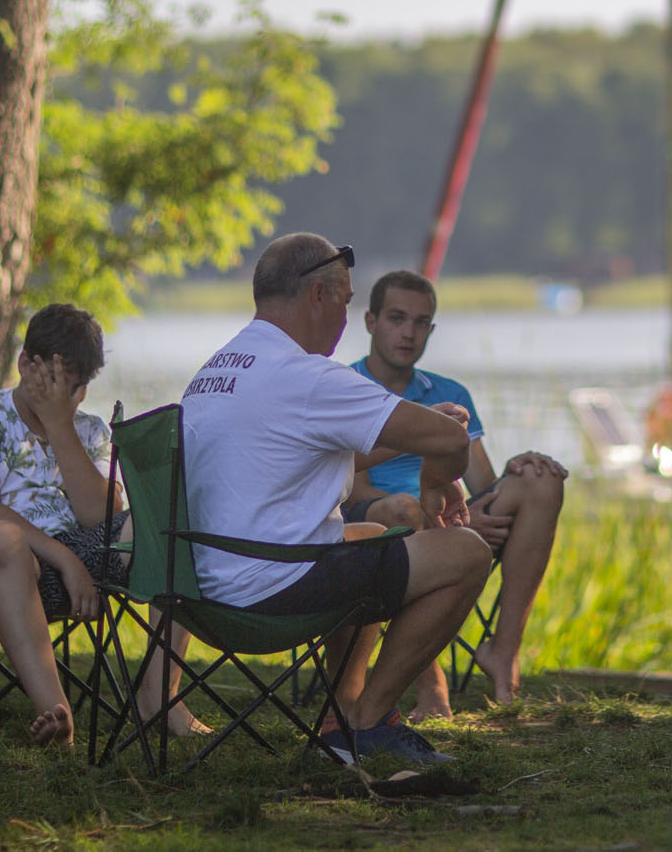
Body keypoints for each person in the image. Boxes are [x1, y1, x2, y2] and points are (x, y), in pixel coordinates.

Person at [181, 234, 491, 766]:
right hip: (270, 590)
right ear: (318, 296)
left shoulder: (217, 370)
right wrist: (436, 478)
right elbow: (451, 441)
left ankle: (341, 712)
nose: (345, 320)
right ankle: (369, 721)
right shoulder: (306, 376)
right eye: (346, 303)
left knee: (368, 536)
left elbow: (305, 458)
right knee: (467, 552)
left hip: (202, 585)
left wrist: (421, 440)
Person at [0, 305, 203, 746]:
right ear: (25, 364)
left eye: (80, 386)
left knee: (164, 519)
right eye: (58, 381)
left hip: (88, 556)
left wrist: (60, 424)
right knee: (0, 537)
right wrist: (65, 560)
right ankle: (56, 713)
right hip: (6, 566)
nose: (73, 396)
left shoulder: (90, 430)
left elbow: (100, 516)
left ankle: (159, 696)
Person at [342, 269, 568, 718]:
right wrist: (442, 522)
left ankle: (503, 653)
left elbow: (481, 483)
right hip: (383, 527)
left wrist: (516, 471)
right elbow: (354, 492)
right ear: (370, 321)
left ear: (431, 329)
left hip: (450, 518)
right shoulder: (347, 389)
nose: (409, 333)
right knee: (403, 510)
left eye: (421, 322)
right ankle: (431, 684)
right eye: (397, 318)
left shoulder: (449, 392)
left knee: (542, 479)